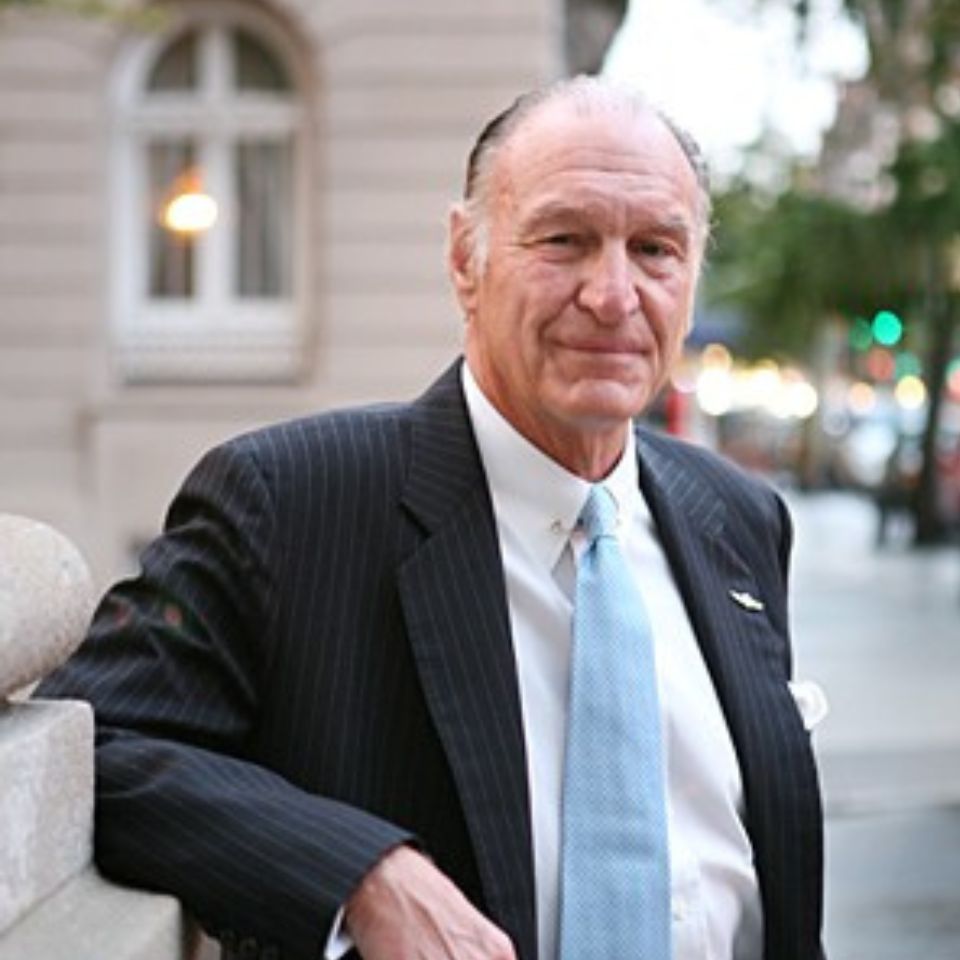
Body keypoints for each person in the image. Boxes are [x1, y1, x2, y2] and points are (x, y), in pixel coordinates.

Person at [39, 77, 825, 960]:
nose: (613, 295)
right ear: (465, 258)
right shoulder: (290, 502)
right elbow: (88, 740)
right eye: (565, 240)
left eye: (655, 249)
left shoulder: (741, 520)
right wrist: (360, 874)